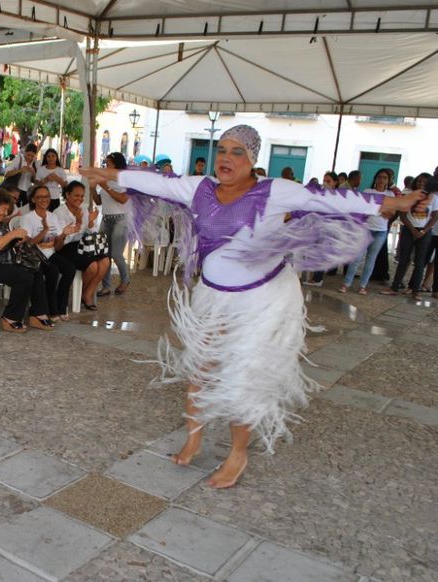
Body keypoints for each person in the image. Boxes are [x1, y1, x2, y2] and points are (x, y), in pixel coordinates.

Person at [81, 124, 426, 488]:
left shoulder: (275, 191)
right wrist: (108, 173)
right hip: (214, 295)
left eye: (237, 152)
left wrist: (396, 203)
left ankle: (237, 454)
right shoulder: (201, 188)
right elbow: (158, 184)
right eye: (223, 150)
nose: (227, 158)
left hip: (262, 299)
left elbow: (330, 199)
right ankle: (194, 436)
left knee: (240, 377)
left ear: (252, 159)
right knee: (201, 369)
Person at [0, 189, 54, 332]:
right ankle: (10, 318)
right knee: (23, 277)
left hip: (1, 264)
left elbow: (4, 242)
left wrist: (17, 241)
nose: (6, 214)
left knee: (35, 269)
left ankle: (37, 314)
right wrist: (13, 234)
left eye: (8, 210)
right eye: (4, 209)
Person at [21, 185, 77, 321]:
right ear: (33, 199)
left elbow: (57, 247)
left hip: (50, 254)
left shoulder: (53, 217)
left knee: (70, 269)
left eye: (46, 196)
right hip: (35, 257)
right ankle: (52, 310)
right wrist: (44, 231)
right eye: (39, 197)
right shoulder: (28, 218)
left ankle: (61, 306)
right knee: (53, 271)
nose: (43, 199)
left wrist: (63, 234)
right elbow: (28, 245)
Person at [380, 172, 437, 301]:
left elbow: (434, 217)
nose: (421, 184)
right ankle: (394, 287)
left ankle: (415, 291)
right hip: (408, 230)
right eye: (419, 181)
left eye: (424, 182)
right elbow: (403, 214)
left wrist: (423, 231)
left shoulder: (433, 198)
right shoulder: (409, 196)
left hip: (424, 232)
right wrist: (412, 230)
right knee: (403, 260)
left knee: (420, 262)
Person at [54, 181, 110, 310]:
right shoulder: (59, 213)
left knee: (106, 261)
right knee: (93, 267)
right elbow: (65, 236)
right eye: (76, 195)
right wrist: (78, 221)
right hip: (65, 247)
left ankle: (87, 293)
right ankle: (83, 294)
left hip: (83, 245)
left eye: (82, 196)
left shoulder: (83, 209)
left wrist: (90, 221)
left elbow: (92, 232)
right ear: (67, 195)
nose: (80, 199)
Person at [341, 169, 397, 294]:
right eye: (379, 177)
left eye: (384, 178)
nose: (381, 180)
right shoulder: (368, 192)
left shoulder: (390, 195)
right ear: (375, 178)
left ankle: (363, 285)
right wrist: (381, 209)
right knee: (357, 257)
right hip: (366, 228)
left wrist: (376, 208)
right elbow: (363, 209)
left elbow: (391, 213)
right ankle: (347, 283)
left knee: (371, 258)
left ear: (388, 180)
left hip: (380, 230)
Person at [93, 152, 131, 296]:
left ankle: (125, 279)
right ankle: (106, 286)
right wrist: (92, 186)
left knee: (116, 253)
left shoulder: (124, 180)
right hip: (106, 219)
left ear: (117, 164)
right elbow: (98, 201)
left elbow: (122, 199)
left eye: (109, 162)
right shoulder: (105, 179)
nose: (106, 165)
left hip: (121, 219)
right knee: (104, 254)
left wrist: (104, 186)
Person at [303, 171, 339, 287]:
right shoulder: (321, 194)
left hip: (329, 227)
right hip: (318, 225)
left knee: (321, 252)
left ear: (335, 183)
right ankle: (315, 276)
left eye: (328, 181)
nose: (325, 183)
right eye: (324, 180)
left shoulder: (337, 196)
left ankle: (317, 278)